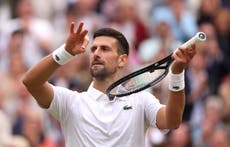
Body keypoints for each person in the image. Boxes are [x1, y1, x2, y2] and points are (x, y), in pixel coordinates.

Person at [22, 22, 196, 146]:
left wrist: (177, 73)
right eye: (93, 49)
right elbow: (31, 82)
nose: (96, 53)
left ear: (122, 60)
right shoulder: (71, 102)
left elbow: (172, 121)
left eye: (104, 49)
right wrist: (65, 53)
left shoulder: (141, 100)